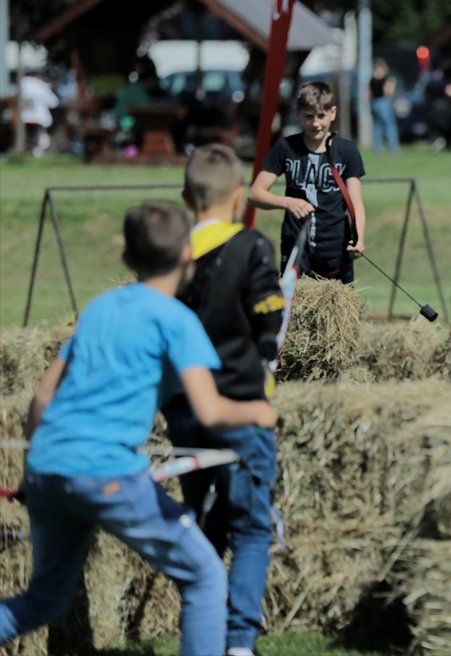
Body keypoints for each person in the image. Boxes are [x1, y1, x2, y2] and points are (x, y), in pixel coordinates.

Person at [0, 201, 277, 656]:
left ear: (127, 259)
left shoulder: (99, 308)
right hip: (107, 474)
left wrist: (32, 474)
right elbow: (209, 411)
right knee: (205, 575)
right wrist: (258, 414)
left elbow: (42, 398)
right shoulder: (177, 320)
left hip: (46, 469)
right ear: (188, 254)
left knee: (45, 600)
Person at [165, 145, 284, 656]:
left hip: (186, 411)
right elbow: (269, 323)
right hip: (239, 407)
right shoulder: (253, 247)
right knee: (253, 527)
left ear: (186, 198)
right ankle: (237, 642)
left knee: (201, 522)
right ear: (241, 197)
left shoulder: (171, 255)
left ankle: (204, 633)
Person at [249, 81, 366, 283]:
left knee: (335, 312)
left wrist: (358, 239)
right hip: (296, 246)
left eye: (321, 116)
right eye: (308, 116)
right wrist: (288, 202)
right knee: (294, 308)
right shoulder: (285, 147)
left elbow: (356, 202)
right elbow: (255, 194)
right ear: (298, 114)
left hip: (335, 248)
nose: (315, 123)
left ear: (333, 113)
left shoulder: (347, 151)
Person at [19, 70, 59, 158]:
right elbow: (53, 102)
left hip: (24, 117)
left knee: (33, 135)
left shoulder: (22, 84)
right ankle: (37, 151)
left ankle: (33, 148)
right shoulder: (41, 86)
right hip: (39, 118)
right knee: (42, 135)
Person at [369, 58, 400, 155]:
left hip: (373, 103)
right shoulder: (385, 79)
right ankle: (393, 149)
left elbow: (368, 94)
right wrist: (392, 85)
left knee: (376, 126)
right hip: (383, 103)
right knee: (390, 126)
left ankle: (377, 150)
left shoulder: (371, 79)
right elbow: (388, 93)